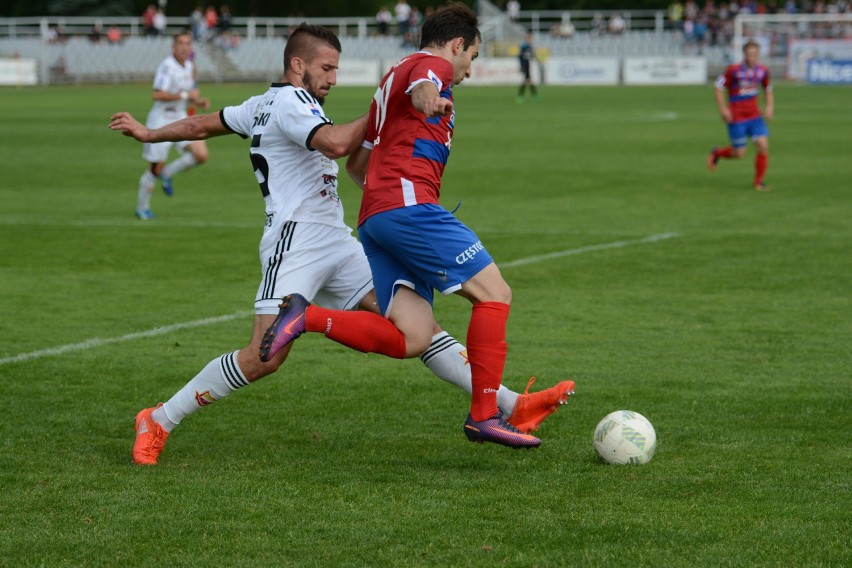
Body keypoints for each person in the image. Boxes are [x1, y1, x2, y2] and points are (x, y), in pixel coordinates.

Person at [110, 23, 572, 465]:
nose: (333, 78)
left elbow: (205, 124)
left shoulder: (264, 103)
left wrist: (152, 134)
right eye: (327, 69)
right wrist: (382, 106)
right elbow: (332, 143)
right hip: (295, 243)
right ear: (297, 65)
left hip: (337, 241)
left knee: (417, 326)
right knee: (263, 357)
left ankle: (509, 404)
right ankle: (158, 419)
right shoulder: (291, 103)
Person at [260, 4, 574, 449]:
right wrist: (431, 99)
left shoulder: (389, 81)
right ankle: (485, 414)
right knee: (495, 293)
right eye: (472, 57)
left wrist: (387, 189)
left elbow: (357, 164)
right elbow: (428, 86)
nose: (468, 70)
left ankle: (306, 317)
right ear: (457, 44)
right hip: (408, 208)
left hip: (377, 217)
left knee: (414, 336)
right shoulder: (432, 66)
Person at [133, 31, 210, 220]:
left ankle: (167, 174)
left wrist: (198, 102)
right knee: (154, 169)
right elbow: (157, 94)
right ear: (173, 46)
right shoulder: (167, 66)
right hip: (161, 120)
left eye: (188, 44)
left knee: (201, 154)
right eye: (181, 43)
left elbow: (188, 93)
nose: (184, 47)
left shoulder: (189, 66)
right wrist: (185, 96)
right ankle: (142, 207)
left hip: (180, 116)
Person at [707, 40, 774, 191]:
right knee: (739, 153)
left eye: (755, 54)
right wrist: (723, 109)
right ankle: (717, 153)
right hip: (737, 118)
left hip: (755, 116)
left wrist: (769, 107)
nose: (752, 57)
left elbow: (768, 88)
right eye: (749, 54)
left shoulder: (762, 70)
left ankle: (758, 182)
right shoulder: (734, 70)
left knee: (763, 145)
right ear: (744, 54)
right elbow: (718, 86)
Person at [516, 32, 540, 103]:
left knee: (528, 80)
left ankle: (533, 95)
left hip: (527, 64)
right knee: (527, 80)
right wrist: (522, 66)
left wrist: (536, 58)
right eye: (530, 38)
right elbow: (521, 56)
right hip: (525, 65)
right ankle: (521, 96)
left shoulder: (529, 46)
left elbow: (531, 55)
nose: (531, 40)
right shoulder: (524, 46)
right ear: (527, 39)